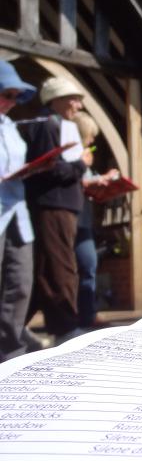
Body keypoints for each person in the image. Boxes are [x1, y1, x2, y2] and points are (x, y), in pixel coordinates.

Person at [21, 76, 91, 342]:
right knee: (60, 267)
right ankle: (65, 328)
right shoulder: (48, 124)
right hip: (53, 205)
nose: (78, 106)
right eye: (74, 99)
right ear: (56, 100)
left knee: (45, 268)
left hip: (60, 206)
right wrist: (82, 164)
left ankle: (13, 328)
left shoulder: (58, 125)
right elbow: (48, 168)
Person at [0, 61, 37, 362]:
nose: (11, 102)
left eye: (14, 96)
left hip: (17, 213)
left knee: (20, 284)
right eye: (6, 94)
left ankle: (11, 354)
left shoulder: (10, 126)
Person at [72, 111, 119, 328]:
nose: (92, 141)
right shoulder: (74, 155)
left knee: (88, 264)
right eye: (89, 135)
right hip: (69, 219)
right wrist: (98, 180)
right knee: (79, 265)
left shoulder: (85, 156)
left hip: (84, 218)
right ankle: (77, 316)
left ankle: (87, 314)